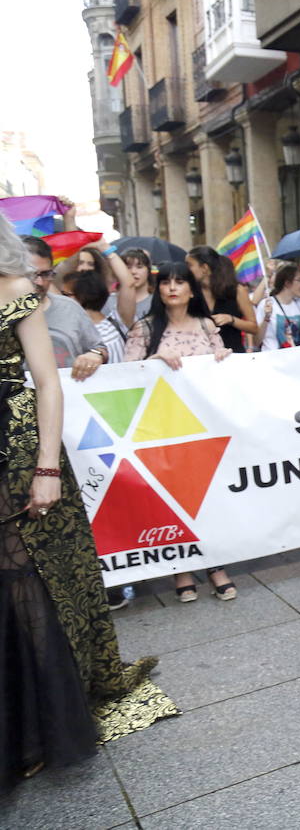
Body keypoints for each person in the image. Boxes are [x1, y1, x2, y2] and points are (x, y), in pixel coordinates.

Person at [1, 220, 177, 792]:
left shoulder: (19, 293)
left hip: (19, 452)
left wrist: (47, 470)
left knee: (27, 586)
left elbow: (47, 383)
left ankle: (39, 731)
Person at [125, 262, 237, 601]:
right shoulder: (144, 329)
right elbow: (124, 375)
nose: (172, 287)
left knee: (209, 498)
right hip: (162, 430)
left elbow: (225, 375)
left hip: (205, 429)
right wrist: (153, 359)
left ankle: (215, 564)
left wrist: (224, 358)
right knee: (173, 501)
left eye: (180, 281)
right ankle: (181, 569)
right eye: (166, 282)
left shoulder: (206, 326)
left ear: (192, 289)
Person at [20, 237, 106, 378]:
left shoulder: (70, 308)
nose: (40, 282)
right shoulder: (4, 313)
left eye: (46, 274)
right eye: (31, 274)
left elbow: (99, 347)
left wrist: (94, 356)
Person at [186, 245, 259, 353]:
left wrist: (231, 319)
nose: (186, 269)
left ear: (204, 268)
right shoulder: (191, 292)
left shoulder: (237, 290)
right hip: (202, 359)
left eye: (189, 265)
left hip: (233, 357)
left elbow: (254, 328)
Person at [69, 271, 125, 364]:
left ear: (81, 297)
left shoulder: (102, 337)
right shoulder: (107, 327)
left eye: (66, 294)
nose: (61, 299)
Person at [255, 263, 300, 351]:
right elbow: (256, 341)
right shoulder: (266, 304)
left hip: (296, 360)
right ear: (287, 283)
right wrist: (266, 318)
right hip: (272, 360)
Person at [107, 246, 153, 332]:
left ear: (148, 270)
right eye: (128, 267)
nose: (133, 272)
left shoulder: (157, 301)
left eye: (139, 267)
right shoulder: (108, 301)